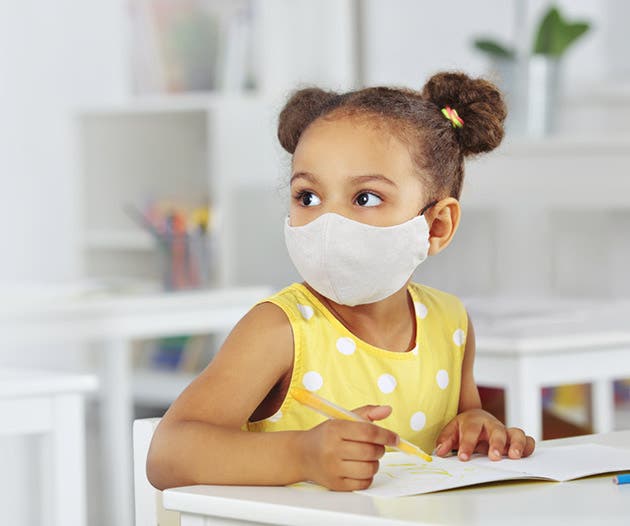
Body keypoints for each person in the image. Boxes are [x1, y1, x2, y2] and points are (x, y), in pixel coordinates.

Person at [147, 71, 536, 492]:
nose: (328, 223)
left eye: (365, 197)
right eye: (307, 197)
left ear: (437, 225)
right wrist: (302, 455)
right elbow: (167, 453)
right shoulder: (280, 330)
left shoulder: (450, 323)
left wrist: (476, 428)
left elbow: (457, 434)